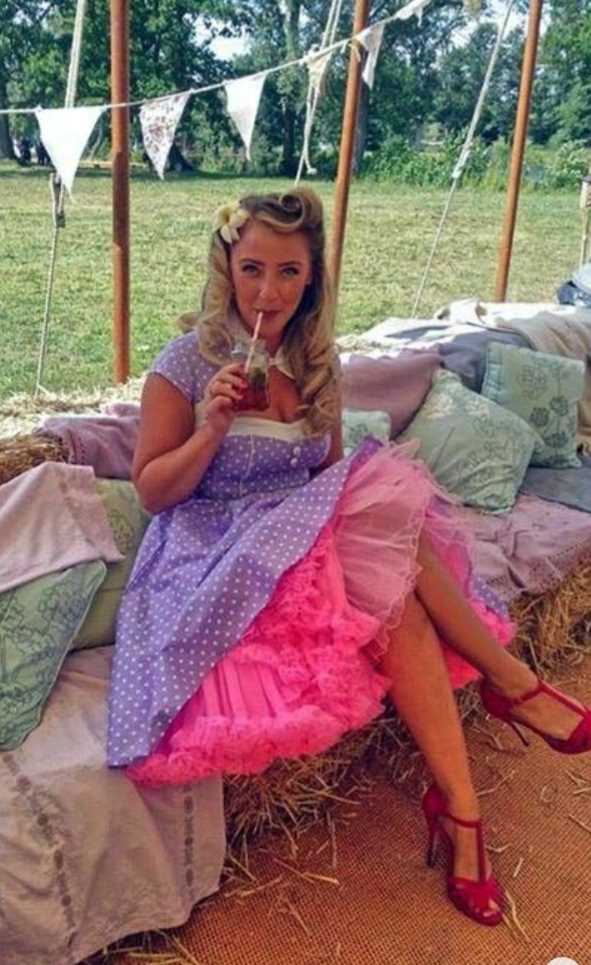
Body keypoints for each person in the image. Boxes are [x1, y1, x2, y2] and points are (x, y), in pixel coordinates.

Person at [108, 188, 591, 927]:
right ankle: (507, 693)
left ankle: (464, 809)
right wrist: (211, 427)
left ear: (312, 279)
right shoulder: (186, 363)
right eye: (252, 268)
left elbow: (328, 476)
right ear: (226, 267)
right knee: (397, 571)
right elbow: (153, 492)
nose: (267, 292)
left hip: (298, 529)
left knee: (394, 572)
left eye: (289, 272)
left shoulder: (316, 362)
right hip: (217, 548)